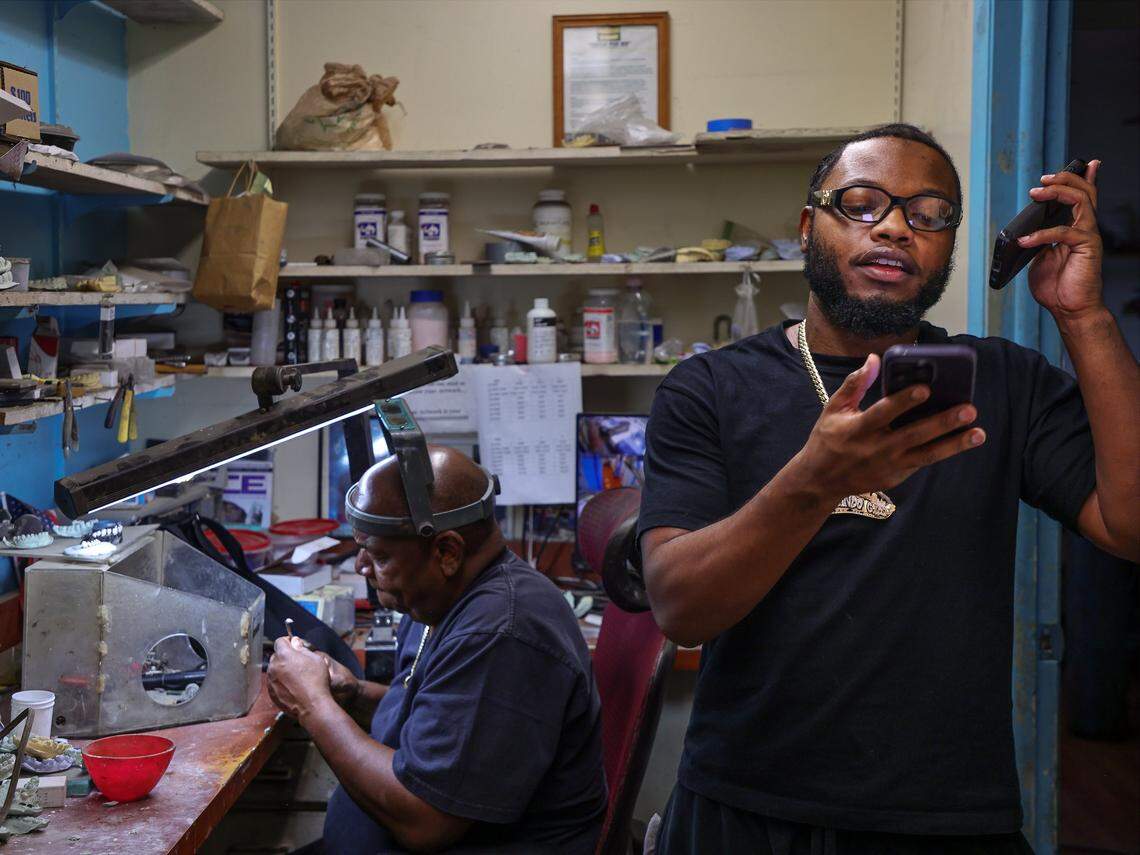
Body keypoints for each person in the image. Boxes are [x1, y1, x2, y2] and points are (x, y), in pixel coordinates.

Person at [638, 124, 1139, 853]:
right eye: (863, 203)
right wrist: (815, 481)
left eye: (930, 214)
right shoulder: (709, 389)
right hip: (745, 809)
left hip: (949, 817)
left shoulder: (1004, 382)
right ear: (810, 225)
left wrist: (1083, 316)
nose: (897, 227)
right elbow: (681, 608)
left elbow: (1129, 526)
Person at [267, 447, 607, 854]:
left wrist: (312, 705)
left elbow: (424, 820)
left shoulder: (502, 633)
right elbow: (438, 721)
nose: (361, 566)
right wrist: (352, 694)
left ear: (446, 552)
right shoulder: (435, 599)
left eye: (378, 554)